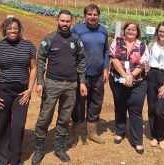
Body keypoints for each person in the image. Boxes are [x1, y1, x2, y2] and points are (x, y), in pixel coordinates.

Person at [32, 10, 87, 165]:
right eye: (62, 21)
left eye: (68, 21)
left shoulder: (76, 39)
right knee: (44, 117)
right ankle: (39, 149)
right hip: (51, 83)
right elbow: (41, 60)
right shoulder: (49, 38)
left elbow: (82, 60)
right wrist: (40, 82)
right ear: (57, 21)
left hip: (71, 85)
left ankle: (59, 148)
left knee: (64, 118)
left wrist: (82, 81)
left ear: (72, 22)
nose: (65, 24)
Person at [0, 17, 37, 165]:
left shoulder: (28, 46)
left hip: (21, 92)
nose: (12, 31)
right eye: (9, 28)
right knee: (2, 123)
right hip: (2, 89)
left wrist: (29, 89)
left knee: (18, 125)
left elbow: (33, 68)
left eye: (15, 28)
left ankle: (15, 159)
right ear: (4, 30)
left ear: (19, 29)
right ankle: (3, 158)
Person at [67, 3, 109, 147]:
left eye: (95, 14)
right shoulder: (77, 30)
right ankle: (75, 133)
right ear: (85, 15)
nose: (92, 17)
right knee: (79, 103)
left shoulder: (103, 30)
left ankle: (92, 132)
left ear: (98, 16)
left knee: (96, 102)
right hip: (81, 74)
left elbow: (105, 51)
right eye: (89, 14)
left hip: (97, 74)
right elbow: (70, 49)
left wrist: (106, 69)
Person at [109, 21, 149, 154]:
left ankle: (137, 140)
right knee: (120, 106)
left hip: (138, 83)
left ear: (137, 32)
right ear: (124, 30)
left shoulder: (142, 45)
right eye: (128, 29)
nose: (131, 32)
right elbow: (114, 59)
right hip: (118, 81)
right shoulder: (117, 41)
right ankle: (120, 131)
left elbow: (143, 64)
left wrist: (131, 76)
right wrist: (125, 75)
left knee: (136, 110)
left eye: (133, 30)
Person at [147, 22, 164, 149]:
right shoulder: (152, 45)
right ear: (157, 32)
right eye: (160, 31)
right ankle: (154, 136)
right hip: (152, 76)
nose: (162, 34)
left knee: (160, 111)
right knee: (152, 109)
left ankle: (161, 137)